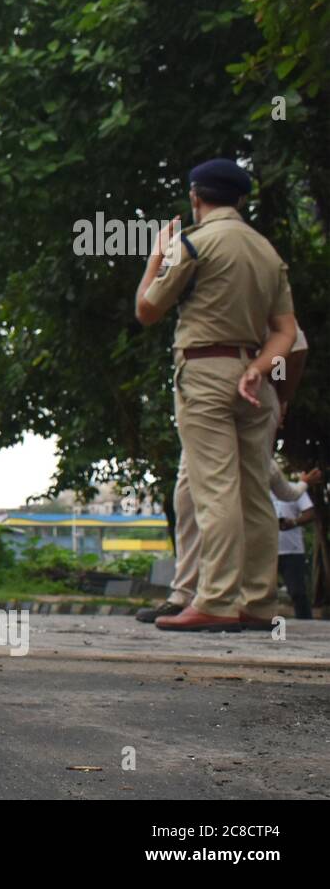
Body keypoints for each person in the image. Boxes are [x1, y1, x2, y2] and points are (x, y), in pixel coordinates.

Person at [135, 158, 298, 631]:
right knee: (254, 492)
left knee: (214, 488)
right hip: (254, 376)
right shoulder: (266, 251)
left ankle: (216, 600)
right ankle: (258, 602)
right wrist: (259, 369)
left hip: (205, 371)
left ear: (195, 197)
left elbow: (147, 311)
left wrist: (153, 262)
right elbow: (285, 330)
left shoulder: (196, 243)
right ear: (241, 199)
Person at [138, 325, 310, 624]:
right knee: (189, 495)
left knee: (244, 493)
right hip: (208, 389)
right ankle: (187, 594)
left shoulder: (264, 287)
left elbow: (291, 348)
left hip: (251, 394)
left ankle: (238, 599)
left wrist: (280, 395)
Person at [271, 464, 319, 620]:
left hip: (292, 549)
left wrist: (293, 522)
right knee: (261, 591)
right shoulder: (258, 490)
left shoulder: (293, 488)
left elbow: (310, 512)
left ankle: (306, 624)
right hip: (266, 550)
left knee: (298, 592)